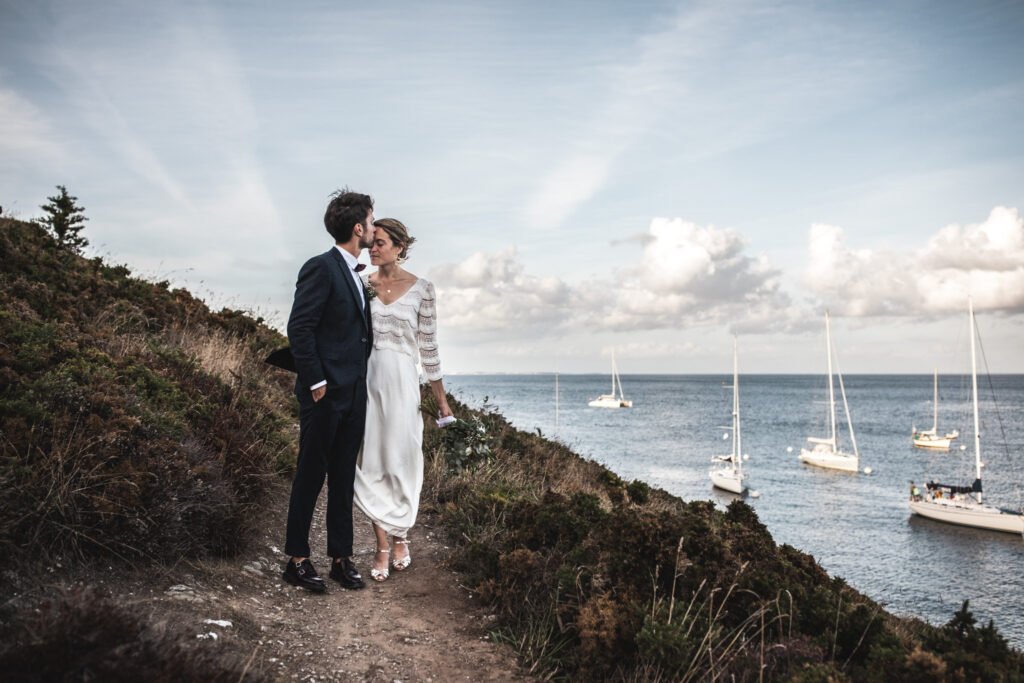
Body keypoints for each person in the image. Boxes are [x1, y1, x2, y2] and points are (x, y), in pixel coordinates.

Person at [282, 189, 376, 593]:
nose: (374, 228)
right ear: (358, 228)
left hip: (354, 393)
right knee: (310, 474)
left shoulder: (357, 275)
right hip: (324, 394)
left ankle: (341, 557)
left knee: (342, 477)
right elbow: (299, 327)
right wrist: (317, 382)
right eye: (371, 221)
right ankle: (297, 560)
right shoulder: (320, 267)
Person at [353, 218, 453, 582]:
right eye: (370, 243)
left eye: (379, 242)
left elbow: (428, 348)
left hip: (404, 385)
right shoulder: (363, 285)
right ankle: (382, 545)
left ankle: (401, 537)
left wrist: (441, 400)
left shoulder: (422, 289)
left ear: (399, 246)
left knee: (403, 461)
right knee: (373, 463)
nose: (372, 248)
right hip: (368, 383)